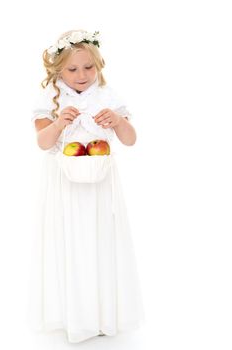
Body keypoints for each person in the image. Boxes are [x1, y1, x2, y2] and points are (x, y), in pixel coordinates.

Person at [27, 29, 145, 343]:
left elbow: (131, 140)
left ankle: (103, 313)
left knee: (101, 242)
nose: (82, 75)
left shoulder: (107, 95)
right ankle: (72, 314)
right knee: (70, 242)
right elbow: (42, 143)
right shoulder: (51, 97)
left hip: (100, 183)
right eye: (73, 69)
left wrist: (118, 122)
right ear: (57, 70)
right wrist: (59, 123)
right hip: (64, 185)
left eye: (89, 67)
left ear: (99, 66)